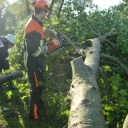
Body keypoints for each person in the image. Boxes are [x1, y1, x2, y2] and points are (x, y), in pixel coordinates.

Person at [24, 0, 57, 122]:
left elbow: (38, 38)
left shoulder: (36, 24)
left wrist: (48, 33)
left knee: (39, 87)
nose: (46, 14)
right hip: (33, 64)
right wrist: (46, 48)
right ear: (43, 11)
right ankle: (35, 116)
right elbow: (33, 50)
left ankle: (39, 108)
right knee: (36, 89)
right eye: (46, 11)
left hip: (37, 63)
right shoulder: (32, 26)